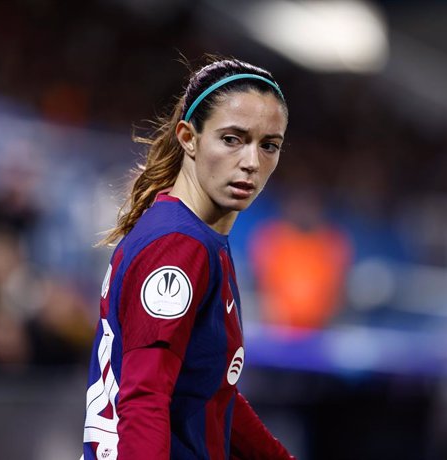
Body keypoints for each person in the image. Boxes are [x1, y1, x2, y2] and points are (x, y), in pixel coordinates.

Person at [81, 57, 294, 459]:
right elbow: (145, 398)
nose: (251, 162)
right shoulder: (178, 247)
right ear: (188, 137)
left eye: (269, 145)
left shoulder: (197, 236)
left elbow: (211, 393)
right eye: (232, 139)